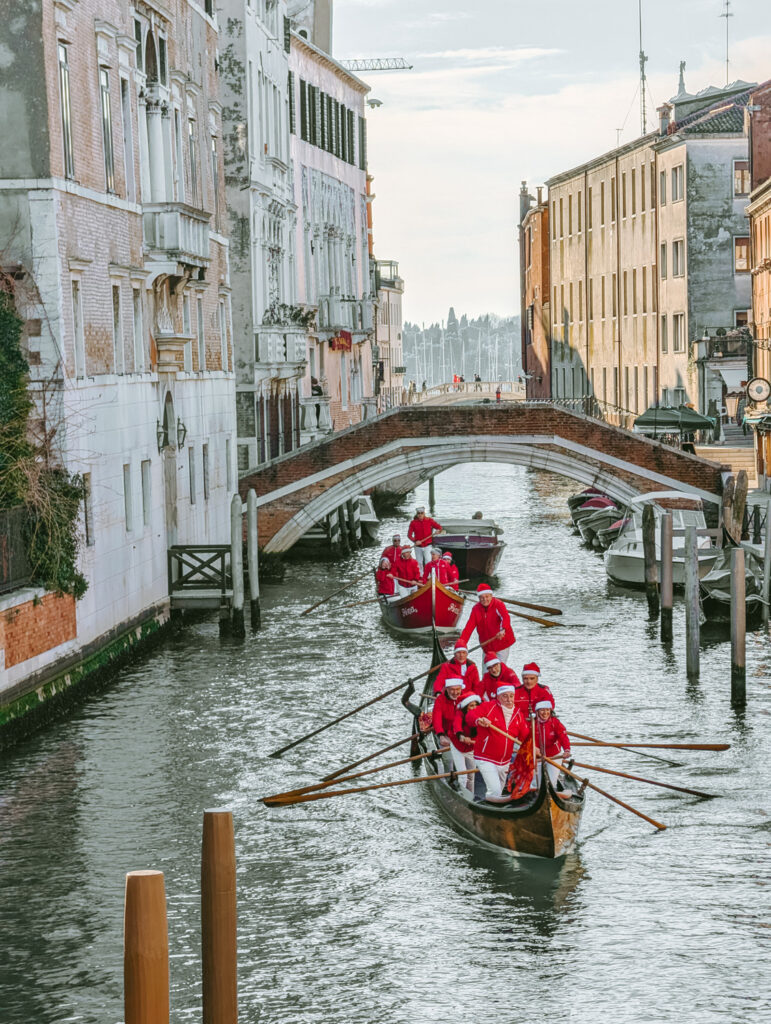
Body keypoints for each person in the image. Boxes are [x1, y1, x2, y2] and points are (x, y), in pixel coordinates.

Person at [466, 683, 528, 798]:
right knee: (495, 791)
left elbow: (525, 736)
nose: (509, 699)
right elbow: (470, 715)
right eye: (505, 696)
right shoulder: (488, 707)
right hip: (485, 757)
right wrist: (479, 720)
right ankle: (489, 806)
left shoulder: (518, 714)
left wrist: (533, 747)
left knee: (499, 790)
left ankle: (494, 803)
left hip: (505, 761)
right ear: (498, 697)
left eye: (511, 696)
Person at [458, 583, 516, 662]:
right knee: (486, 669)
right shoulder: (475, 609)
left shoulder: (498, 604)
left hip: (502, 644)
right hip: (487, 646)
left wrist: (503, 629)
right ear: (479, 598)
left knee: (499, 668)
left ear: (491, 596)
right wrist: (461, 644)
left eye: (487, 596)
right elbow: (468, 628)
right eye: (481, 597)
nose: (484, 599)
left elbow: (505, 617)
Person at [532, 698, 572, 793]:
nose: (545, 713)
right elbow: (524, 739)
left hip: (554, 757)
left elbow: (563, 737)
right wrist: (533, 748)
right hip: (537, 757)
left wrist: (567, 750)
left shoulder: (555, 723)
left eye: (547, 710)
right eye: (542, 710)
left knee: (551, 782)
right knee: (535, 784)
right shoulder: (532, 724)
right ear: (537, 712)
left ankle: (552, 791)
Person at [451, 691, 481, 789]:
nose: (474, 708)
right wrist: (462, 737)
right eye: (471, 706)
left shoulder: (480, 717)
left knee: (471, 775)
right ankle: (462, 794)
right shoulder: (459, 714)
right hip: (458, 746)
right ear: (465, 707)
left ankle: (470, 795)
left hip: (471, 748)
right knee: (463, 775)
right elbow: (457, 726)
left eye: (475, 705)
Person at [432, 679, 464, 762]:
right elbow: (437, 719)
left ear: (461, 689)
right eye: (452, 690)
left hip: (464, 734)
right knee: (449, 760)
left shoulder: (466, 698)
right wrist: (441, 735)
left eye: (457, 689)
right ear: (446, 689)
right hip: (446, 734)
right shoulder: (440, 700)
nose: (455, 693)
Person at [408, 506, 442, 572]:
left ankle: (428, 575)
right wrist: (415, 541)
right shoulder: (413, 523)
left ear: (424, 513)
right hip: (418, 546)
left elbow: (439, 527)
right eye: (418, 513)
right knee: (419, 562)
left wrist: (438, 531)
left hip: (428, 545)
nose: (420, 514)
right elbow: (409, 535)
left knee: (428, 561)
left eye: (421, 513)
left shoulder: (430, 520)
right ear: (417, 514)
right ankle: (420, 575)